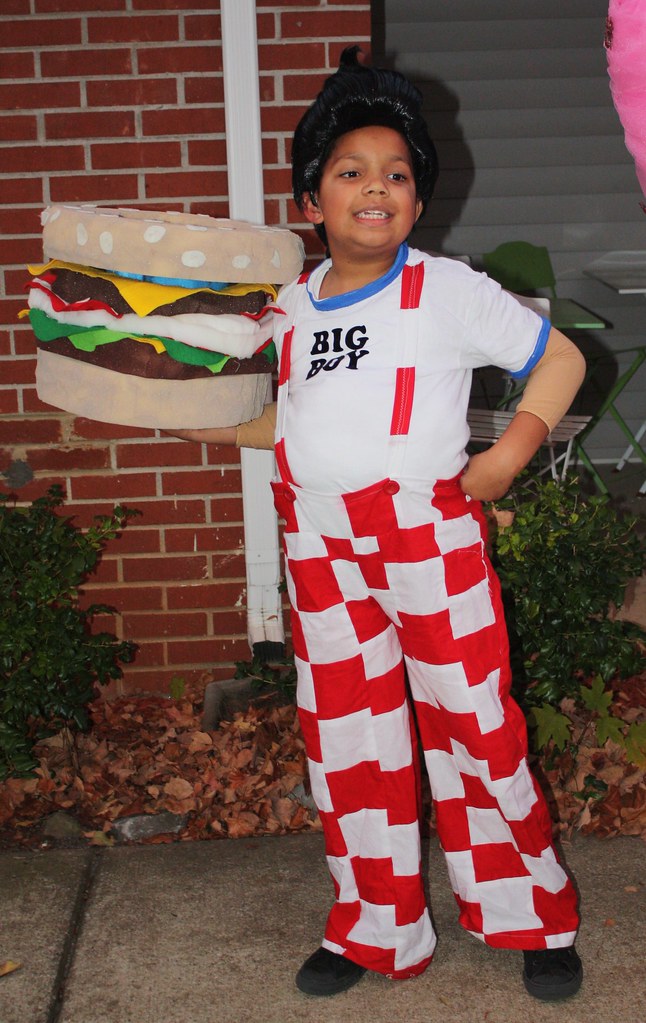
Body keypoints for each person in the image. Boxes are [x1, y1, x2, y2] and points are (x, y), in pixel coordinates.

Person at [170, 47, 586, 1003]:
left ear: (417, 199)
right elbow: (293, 423)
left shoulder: (447, 289)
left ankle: (530, 913)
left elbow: (559, 359)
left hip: (427, 542)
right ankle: (375, 924)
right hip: (321, 550)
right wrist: (207, 421)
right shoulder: (290, 309)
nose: (375, 187)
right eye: (350, 170)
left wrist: (507, 455)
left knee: (475, 726)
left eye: (396, 174)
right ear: (311, 202)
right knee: (349, 741)